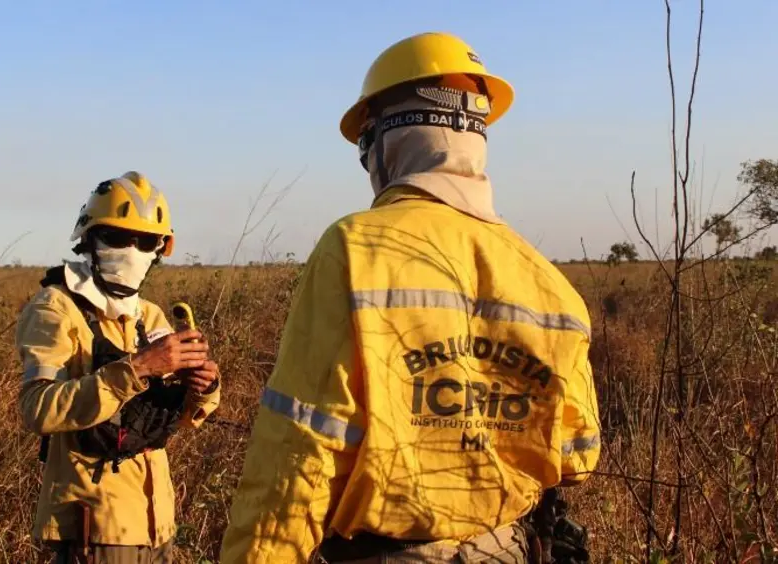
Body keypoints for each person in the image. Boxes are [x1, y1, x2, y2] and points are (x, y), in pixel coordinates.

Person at [219, 32, 600, 563]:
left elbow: (300, 449)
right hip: (509, 549)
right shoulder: (550, 284)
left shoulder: (354, 249)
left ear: (388, 141)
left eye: (364, 147)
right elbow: (577, 455)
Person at [16, 171, 221, 564]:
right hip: (95, 531)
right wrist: (139, 367)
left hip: (156, 525)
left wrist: (204, 386)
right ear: (88, 238)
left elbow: (171, 419)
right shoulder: (55, 308)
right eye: (117, 236)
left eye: (144, 241)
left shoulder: (149, 315)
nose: (131, 250)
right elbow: (38, 409)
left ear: (161, 248)